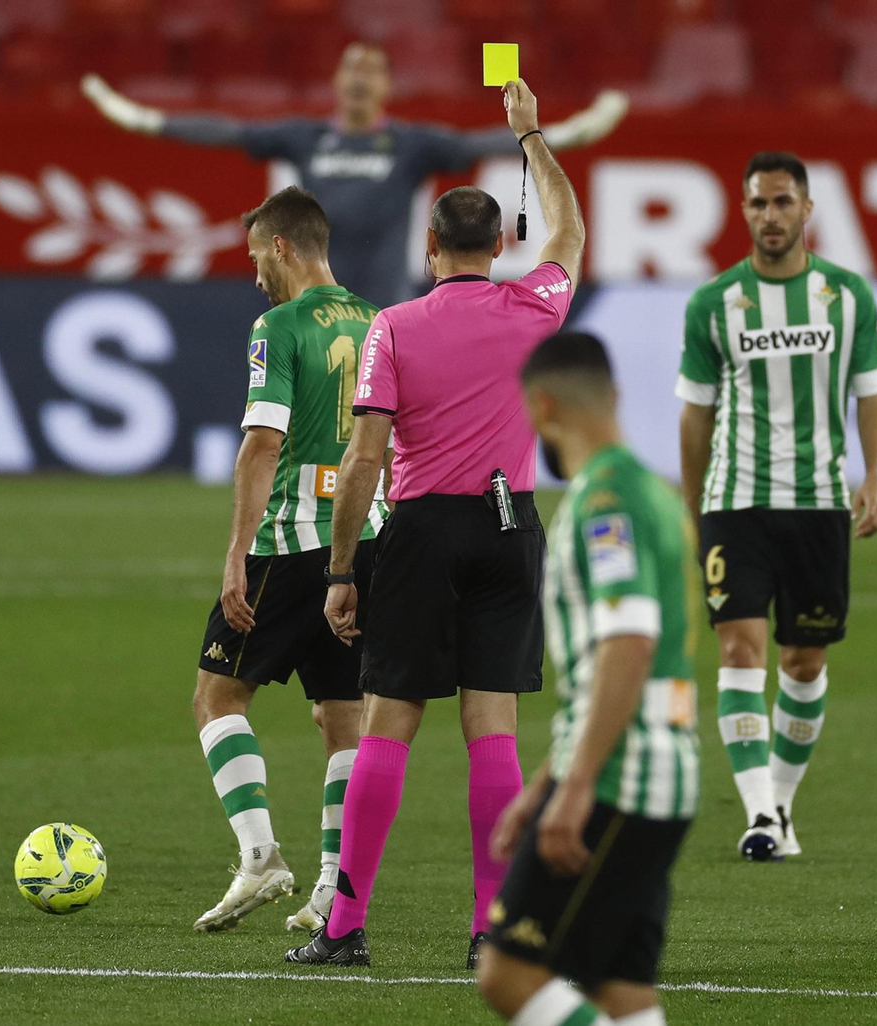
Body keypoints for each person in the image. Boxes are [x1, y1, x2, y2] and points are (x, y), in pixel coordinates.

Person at [287, 77, 582, 970]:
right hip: (508, 528)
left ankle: (344, 928)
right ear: (497, 245)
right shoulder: (535, 309)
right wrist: (531, 138)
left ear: (428, 245)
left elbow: (366, 457)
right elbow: (570, 231)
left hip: (417, 532)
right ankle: (489, 929)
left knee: (389, 724)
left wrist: (342, 569)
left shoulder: (393, 327)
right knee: (492, 729)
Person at [477, 330, 699, 1026]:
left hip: (619, 778)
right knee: (619, 988)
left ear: (540, 407)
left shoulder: (603, 505)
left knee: (508, 973)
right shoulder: (654, 495)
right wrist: (541, 785)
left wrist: (572, 792)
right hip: (662, 766)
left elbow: (627, 646)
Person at [677, 152, 877, 862]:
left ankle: (782, 804)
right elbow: (695, 417)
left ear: (807, 210)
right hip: (736, 503)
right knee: (740, 650)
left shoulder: (848, 295)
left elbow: (872, 391)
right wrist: (693, 508)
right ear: (743, 212)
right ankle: (761, 815)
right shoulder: (713, 303)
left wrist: (876, 477)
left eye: (782, 202)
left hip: (820, 502)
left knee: (803, 661)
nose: (770, 216)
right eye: (758, 204)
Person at [190, 186, 390, 933]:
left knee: (218, 697)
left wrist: (238, 551)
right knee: (342, 715)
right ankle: (333, 888)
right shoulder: (378, 321)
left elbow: (264, 441)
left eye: (253, 257)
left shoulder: (277, 325)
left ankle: (258, 856)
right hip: (367, 538)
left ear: (281, 246)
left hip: (294, 542)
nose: (253, 276)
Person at [82, 41, 626, 305]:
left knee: (382, 439)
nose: (359, 78)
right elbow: (227, 130)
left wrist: (570, 131)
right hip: (317, 302)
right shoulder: (305, 137)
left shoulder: (412, 143)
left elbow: (489, 141)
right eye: (350, 68)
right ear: (337, 83)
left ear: (386, 87)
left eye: (371, 70)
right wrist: (142, 119)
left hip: (387, 306)